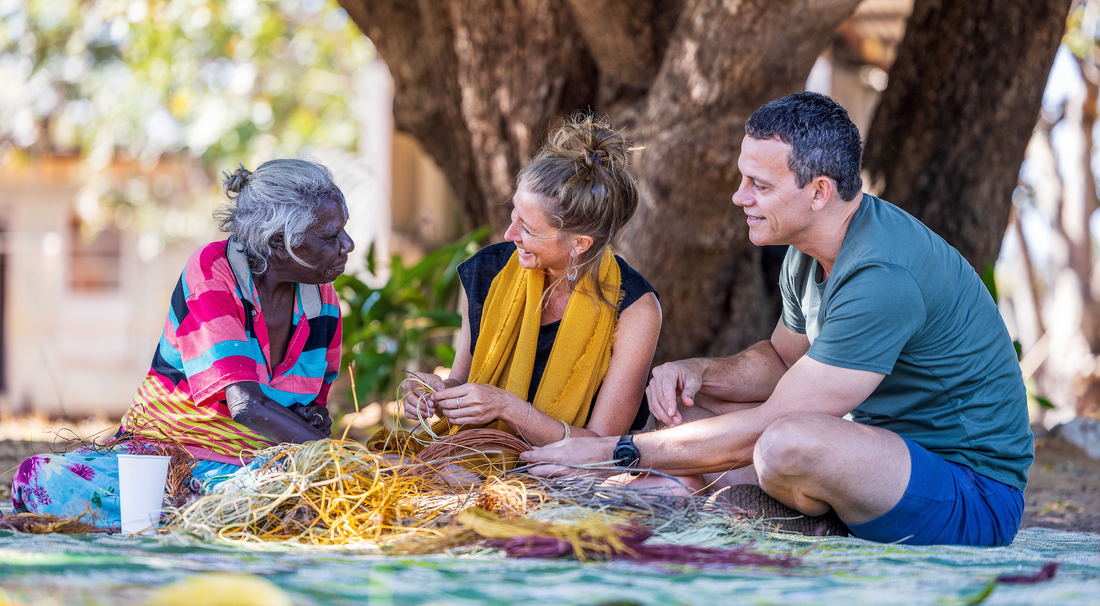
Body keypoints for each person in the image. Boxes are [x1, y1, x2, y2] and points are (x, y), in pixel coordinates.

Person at [522, 92, 1034, 547]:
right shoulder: (809, 248)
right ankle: (719, 496)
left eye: (758, 185)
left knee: (785, 444)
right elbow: (781, 360)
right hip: (878, 456)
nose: (738, 197)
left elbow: (770, 425)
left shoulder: (882, 274)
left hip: (971, 492)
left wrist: (609, 452)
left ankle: (784, 517)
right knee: (687, 406)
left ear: (818, 192)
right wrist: (702, 371)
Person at [13, 159, 354, 526]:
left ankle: (190, 513)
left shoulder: (323, 301)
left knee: (283, 494)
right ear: (279, 242)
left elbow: (312, 413)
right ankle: (202, 511)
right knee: (40, 478)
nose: (347, 245)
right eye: (330, 236)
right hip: (166, 458)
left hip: (253, 470)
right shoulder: (213, 271)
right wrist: (347, 462)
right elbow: (246, 405)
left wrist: (315, 421)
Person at [400, 116, 662, 447]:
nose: (510, 236)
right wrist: (438, 395)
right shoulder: (488, 273)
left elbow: (600, 445)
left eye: (527, 228)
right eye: (514, 215)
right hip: (475, 456)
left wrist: (508, 408)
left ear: (580, 243)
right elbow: (462, 381)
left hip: (572, 478)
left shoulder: (635, 309)